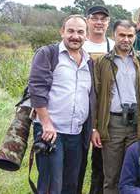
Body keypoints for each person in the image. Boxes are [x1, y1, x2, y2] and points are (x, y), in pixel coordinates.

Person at [91, 20, 140, 194]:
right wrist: (95, 128)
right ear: (114, 35)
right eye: (122, 35)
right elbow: (95, 97)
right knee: (111, 176)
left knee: (136, 174)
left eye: (130, 35)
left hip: (138, 124)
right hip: (112, 124)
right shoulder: (101, 63)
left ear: (134, 36)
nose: (126, 39)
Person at [28, 15, 95, 194]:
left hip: (76, 134)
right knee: (51, 185)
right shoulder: (48, 54)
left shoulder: (89, 61)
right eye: (70, 31)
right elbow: (37, 89)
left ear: (86, 35)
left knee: (71, 185)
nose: (75, 36)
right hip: (51, 133)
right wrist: (46, 123)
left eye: (80, 32)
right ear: (62, 32)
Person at [79, 5, 114, 194]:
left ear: (108, 23)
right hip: (80, 109)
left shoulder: (113, 46)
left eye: (103, 19)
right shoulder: (79, 43)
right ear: (87, 21)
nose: (99, 22)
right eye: (95, 18)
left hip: (103, 112)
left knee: (100, 164)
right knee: (77, 162)